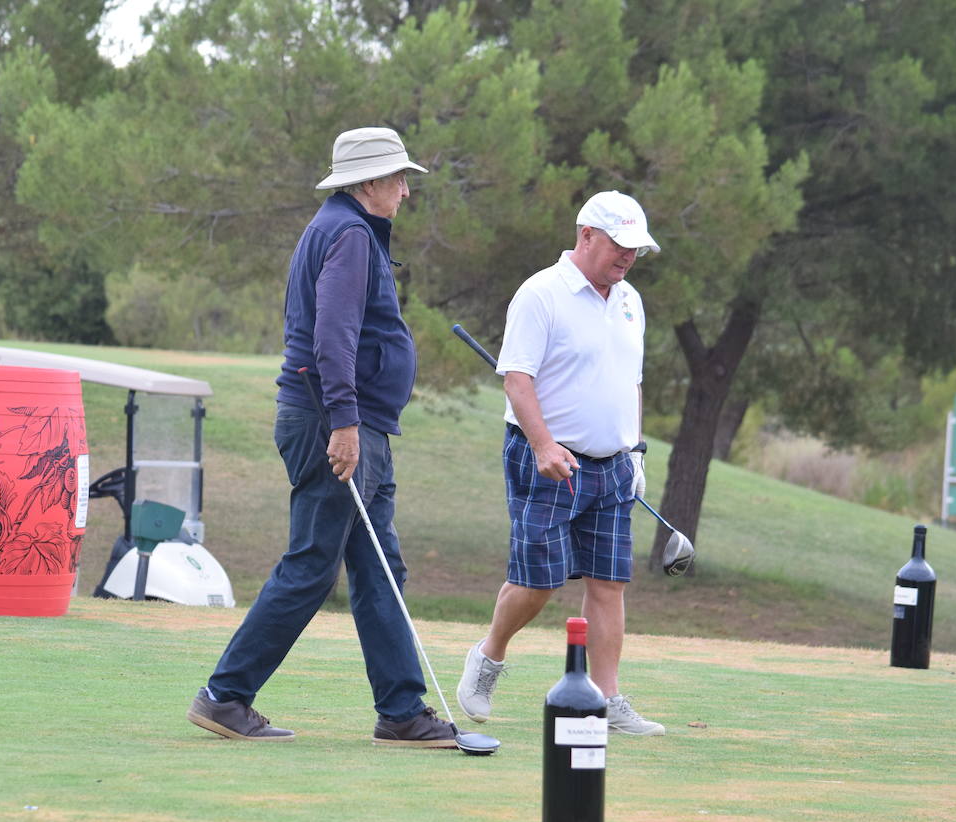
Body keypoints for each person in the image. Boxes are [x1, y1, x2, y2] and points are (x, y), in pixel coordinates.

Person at [187, 127, 458, 747]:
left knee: (378, 565)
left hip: (351, 421)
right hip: (334, 422)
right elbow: (330, 337)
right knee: (313, 563)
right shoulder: (351, 235)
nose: (406, 191)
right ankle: (226, 695)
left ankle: (402, 711)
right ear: (367, 182)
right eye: (397, 178)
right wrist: (344, 422)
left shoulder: (341, 229)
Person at [456, 190, 666, 736]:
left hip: (613, 464)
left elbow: (631, 382)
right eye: (620, 246)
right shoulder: (541, 294)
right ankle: (489, 655)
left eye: (635, 250)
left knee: (608, 582)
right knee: (538, 582)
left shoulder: (629, 300)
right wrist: (546, 446)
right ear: (586, 236)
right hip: (546, 457)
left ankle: (606, 697)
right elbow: (518, 380)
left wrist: (635, 448)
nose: (627, 258)